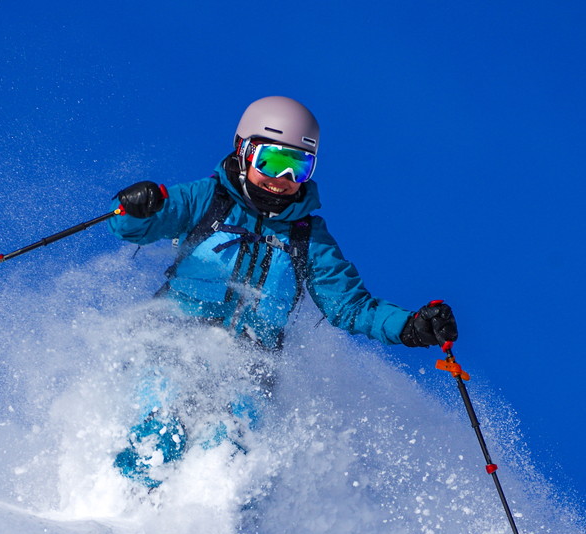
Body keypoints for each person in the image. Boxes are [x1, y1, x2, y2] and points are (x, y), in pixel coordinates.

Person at [108, 95, 458, 488]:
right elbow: (134, 227)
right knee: (163, 432)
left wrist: (408, 326)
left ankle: (202, 532)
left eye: (299, 167)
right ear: (243, 151)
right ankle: (117, 513)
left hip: (249, 367)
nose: (283, 179)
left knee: (229, 448)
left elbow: (350, 307)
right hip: (172, 345)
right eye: (272, 162)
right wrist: (136, 208)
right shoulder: (207, 200)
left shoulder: (308, 236)